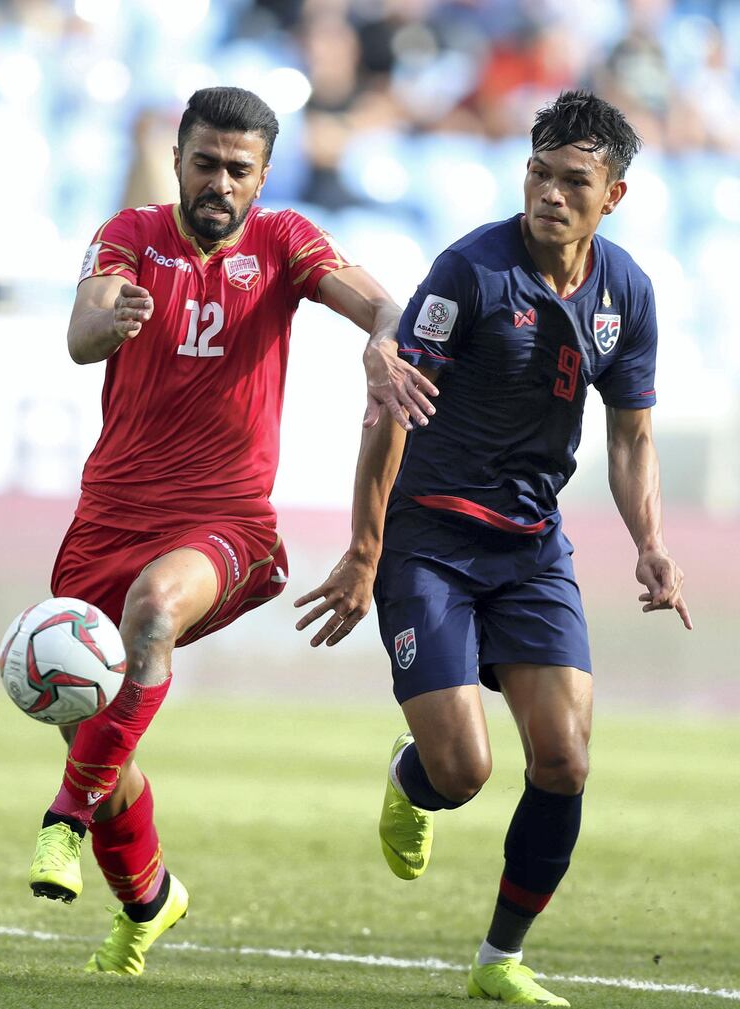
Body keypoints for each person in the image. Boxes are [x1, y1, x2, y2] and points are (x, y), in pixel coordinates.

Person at [27, 85, 437, 977]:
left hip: (226, 519)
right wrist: (114, 320)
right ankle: (148, 897)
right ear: (177, 160)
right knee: (99, 731)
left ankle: (58, 820)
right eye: (205, 163)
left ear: (263, 174)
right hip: (107, 516)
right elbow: (82, 330)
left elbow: (387, 303)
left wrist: (380, 339)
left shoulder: (284, 241)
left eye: (237, 169)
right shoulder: (131, 235)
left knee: (151, 614)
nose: (220, 182)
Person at [296, 90, 691, 1007]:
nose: (550, 194)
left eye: (574, 181)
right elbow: (392, 409)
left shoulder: (625, 291)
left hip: (533, 548)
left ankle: (499, 960)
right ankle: (414, 774)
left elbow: (631, 436)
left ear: (614, 196)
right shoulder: (469, 271)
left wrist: (652, 541)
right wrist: (364, 551)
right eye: (539, 173)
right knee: (462, 772)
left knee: (565, 760)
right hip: (430, 539)